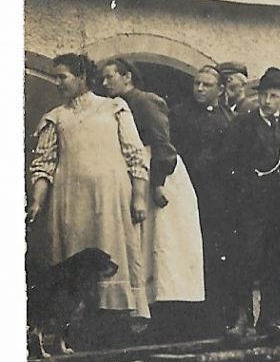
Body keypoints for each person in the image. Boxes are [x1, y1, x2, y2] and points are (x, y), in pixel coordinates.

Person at [26, 52, 150, 322]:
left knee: (111, 251)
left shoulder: (114, 108)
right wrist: (37, 200)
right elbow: (43, 165)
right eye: (55, 78)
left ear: (81, 77)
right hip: (69, 199)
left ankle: (115, 318)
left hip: (110, 197)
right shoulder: (55, 117)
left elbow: (135, 155)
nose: (58, 83)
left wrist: (139, 197)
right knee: (72, 262)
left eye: (63, 77)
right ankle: (76, 322)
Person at [98, 58, 207, 332]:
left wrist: (157, 183)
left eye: (110, 76)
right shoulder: (111, 106)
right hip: (137, 173)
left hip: (159, 174)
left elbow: (162, 144)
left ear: (127, 77)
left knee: (164, 242)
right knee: (144, 241)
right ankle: (144, 310)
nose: (104, 83)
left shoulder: (145, 101)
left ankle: (168, 313)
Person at [224, 67, 280, 336]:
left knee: (275, 259)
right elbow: (230, 164)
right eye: (264, 95)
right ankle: (241, 317)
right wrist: (247, 189)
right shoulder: (243, 124)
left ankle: (272, 317)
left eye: (274, 96)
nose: (268, 101)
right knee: (246, 257)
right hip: (251, 205)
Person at [170, 64, 238, 334]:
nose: (199, 89)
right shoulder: (179, 115)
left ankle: (213, 316)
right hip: (186, 195)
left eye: (206, 85)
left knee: (214, 255)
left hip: (217, 200)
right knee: (185, 252)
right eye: (197, 83)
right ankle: (183, 319)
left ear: (220, 90)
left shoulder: (228, 119)